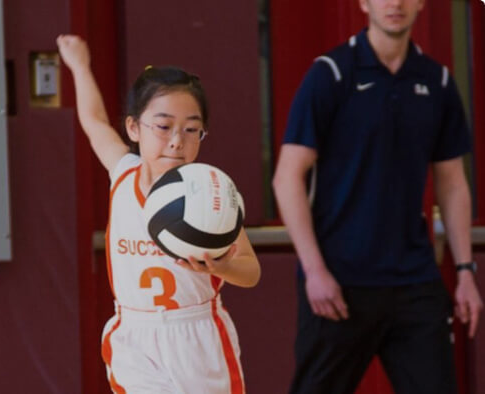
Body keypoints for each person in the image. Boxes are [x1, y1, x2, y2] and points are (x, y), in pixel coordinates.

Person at [273, 0, 483, 393]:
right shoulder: (331, 74)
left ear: (421, 3)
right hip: (337, 283)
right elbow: (287, 178)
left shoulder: (436, 81)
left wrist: (466, 272)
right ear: (364, 3)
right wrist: (315, 271)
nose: (395, 3)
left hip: (414, 281)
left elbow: (452, 182)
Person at [57, 34, 261, 394]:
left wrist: (222, 267)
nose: (176, 140)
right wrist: (79, 66)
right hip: (135, 336)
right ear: (134, 128)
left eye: (191, 129)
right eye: (163, 126)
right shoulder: (122, 172)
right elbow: (93, 121)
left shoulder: (207, 192)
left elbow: (251, 270)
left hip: (197, 337)